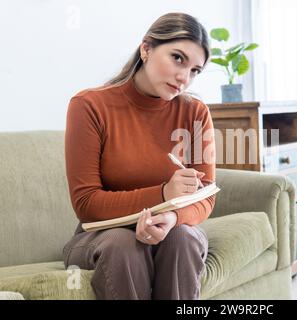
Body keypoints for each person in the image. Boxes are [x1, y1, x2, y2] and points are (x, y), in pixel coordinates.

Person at [63, 12, 216, 300]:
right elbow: (86, 204)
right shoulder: (89, 105)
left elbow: (206, 195)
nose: (185, 77)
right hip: (100, 235)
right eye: (178, 58)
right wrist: (163, 194)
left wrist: (172, 216)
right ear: (146, 49)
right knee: (124, 243)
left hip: (170, 228)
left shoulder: (195, 112)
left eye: (195, 70)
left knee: (183, 238)